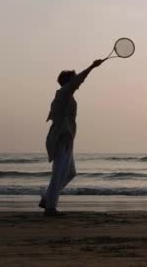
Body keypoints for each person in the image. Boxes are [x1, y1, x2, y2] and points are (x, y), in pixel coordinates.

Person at [40, 59, 104, 215]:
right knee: (59, 173)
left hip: (67, 138)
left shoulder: (66, 95)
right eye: (73, 80)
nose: (78, 84)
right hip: (61, 138)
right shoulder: (64, 93)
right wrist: (92, 67)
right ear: (67, 81)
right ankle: (50, 208)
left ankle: (47, 199)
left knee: (70, 173)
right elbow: (78, 80)